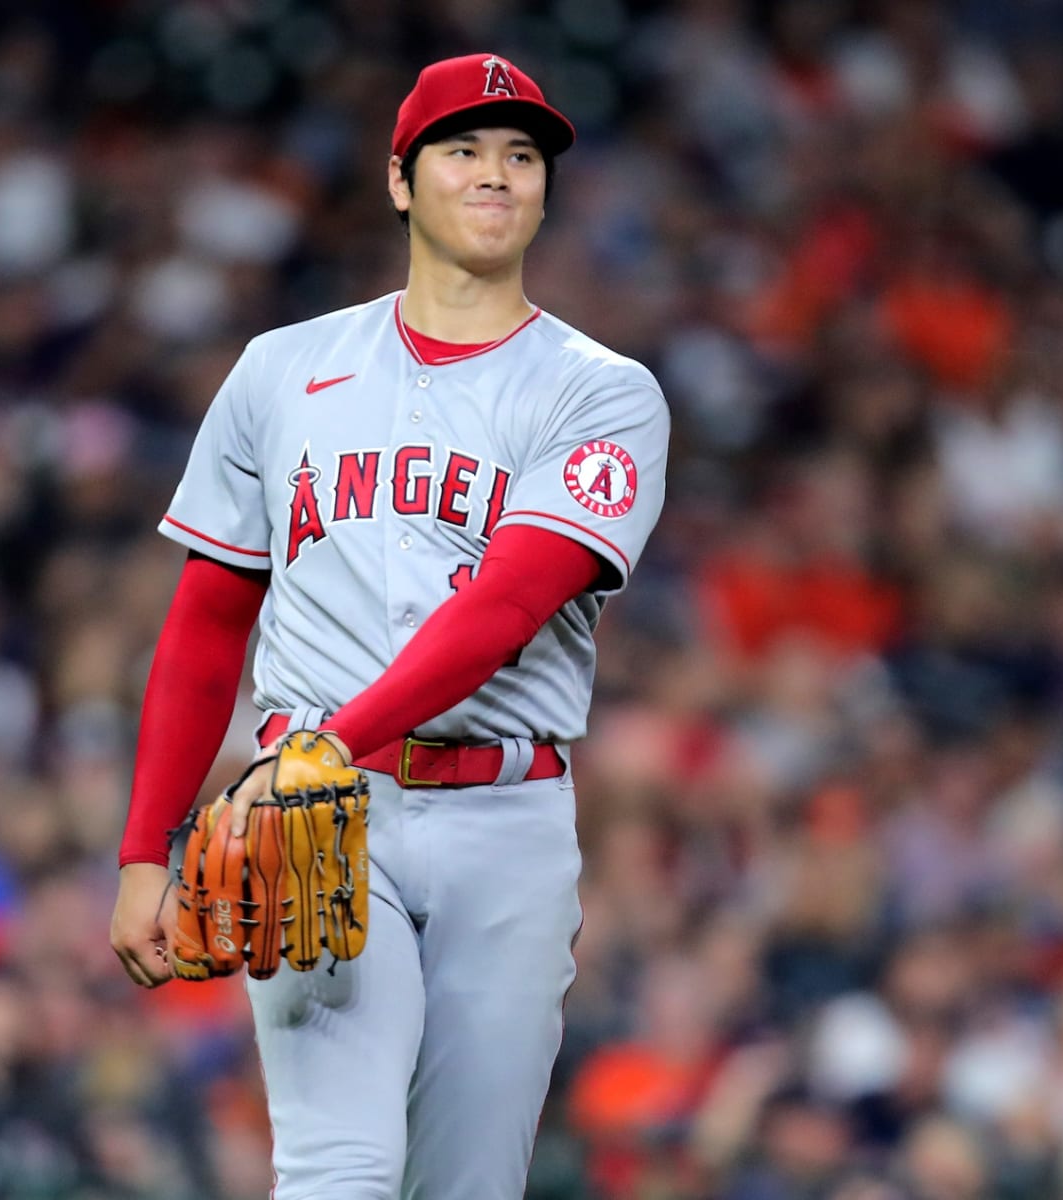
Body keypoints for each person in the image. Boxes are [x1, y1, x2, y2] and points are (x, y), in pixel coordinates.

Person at [109, 52, 670, 1200]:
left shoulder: (601, 391)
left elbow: (510, 604)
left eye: (521, 156)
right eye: (463, 149)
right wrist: (140, 850)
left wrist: (326, 740)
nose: (496, 174)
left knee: (466, 1185)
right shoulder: (282, 370)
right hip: (321, 818)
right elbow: (210, 619)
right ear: (400, 181)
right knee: (339, 1168)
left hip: (505, 817)